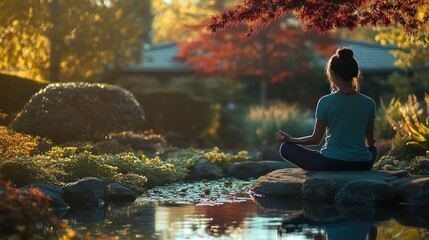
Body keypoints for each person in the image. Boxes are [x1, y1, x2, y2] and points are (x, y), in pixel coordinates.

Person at [276, 47, 377, 171]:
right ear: (355, 73)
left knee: (285, 148)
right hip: (362, 164)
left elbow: (316, 139)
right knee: (373, 150)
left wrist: (290, 139)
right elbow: (370, 142)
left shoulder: (325, 101)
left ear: (333, 74)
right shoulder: (369, 103)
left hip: (330, 163)